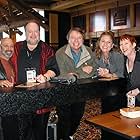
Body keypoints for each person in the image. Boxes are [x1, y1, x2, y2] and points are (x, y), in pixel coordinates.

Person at [10, 20, 59, 140]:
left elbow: (54, 69)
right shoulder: (16, 48)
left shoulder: (47, 49)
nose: (33, 34)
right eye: (30, 31)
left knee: (39, 133)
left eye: (36, 31)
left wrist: (46, 76)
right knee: (23, 133)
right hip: (20, 99)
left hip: (40, 100)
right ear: (25, 33)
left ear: (39, 32)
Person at [56, 27, 97, 140]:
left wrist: (74, 75)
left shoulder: (88, 51)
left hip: (81, 92)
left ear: (83, 40)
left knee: (78, 115)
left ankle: (68, 135)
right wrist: (81, 72)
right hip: (64, 91)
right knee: (64, 118)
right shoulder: (60, 53)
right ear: (68, 39)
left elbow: (94, 69)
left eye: (79, 38)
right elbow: (62, 75)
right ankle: (62, 137)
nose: (76, 41)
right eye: (73, 37)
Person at [93, 31, 125, 140]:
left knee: (117, 119)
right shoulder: (96, 56)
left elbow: (122, 74)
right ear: (99, 42)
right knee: (105, 118)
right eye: (103, 41)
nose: (105, 44)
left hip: (119, 93)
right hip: (105, 92)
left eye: (108, 42)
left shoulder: (118, 55)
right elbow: (94, 72)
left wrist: (109, 74)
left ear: (112, 45)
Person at [0, 38, 20, 140]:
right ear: (0, 48)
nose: (9, 48)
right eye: (6, 46)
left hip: (11, 107)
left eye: (11, 46)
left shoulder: (11, 63)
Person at [120, 34, 140, 106]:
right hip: (132, 100)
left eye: (126, 43)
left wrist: (138, 90)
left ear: (134, 44)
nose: (123, 47)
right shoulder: (124, 60)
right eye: (121, 44)